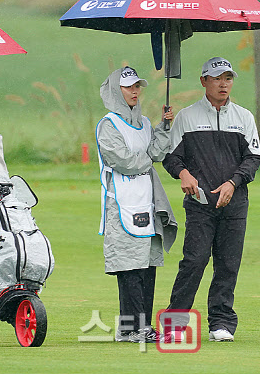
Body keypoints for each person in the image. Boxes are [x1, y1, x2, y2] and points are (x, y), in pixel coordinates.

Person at [162, 57, 260, 342]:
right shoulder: (186, 117)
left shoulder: (244, 117)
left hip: (235, 203)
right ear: (204, 81)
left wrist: (234, 182)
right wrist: (183, 173)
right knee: (194, 260)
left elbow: (253, 158)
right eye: (217, 78)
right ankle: (175, 324)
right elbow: (172, 157)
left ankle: (221, 323)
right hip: (200, 203)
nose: (223, 84)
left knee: (228, 264)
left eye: (228, 78)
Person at [95, 66, 178, 343]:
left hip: (146, 202)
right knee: (129, 266)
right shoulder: (108, 125)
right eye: (128, 87)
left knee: (147, 264)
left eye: (137, 86)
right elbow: (123, 161)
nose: (135, 91)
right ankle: (132, 328)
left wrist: (164, 128)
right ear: (114, 91)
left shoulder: (143, 123)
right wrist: (148, 159)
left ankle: (137, 328)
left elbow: (155, 151)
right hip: (121, 205)